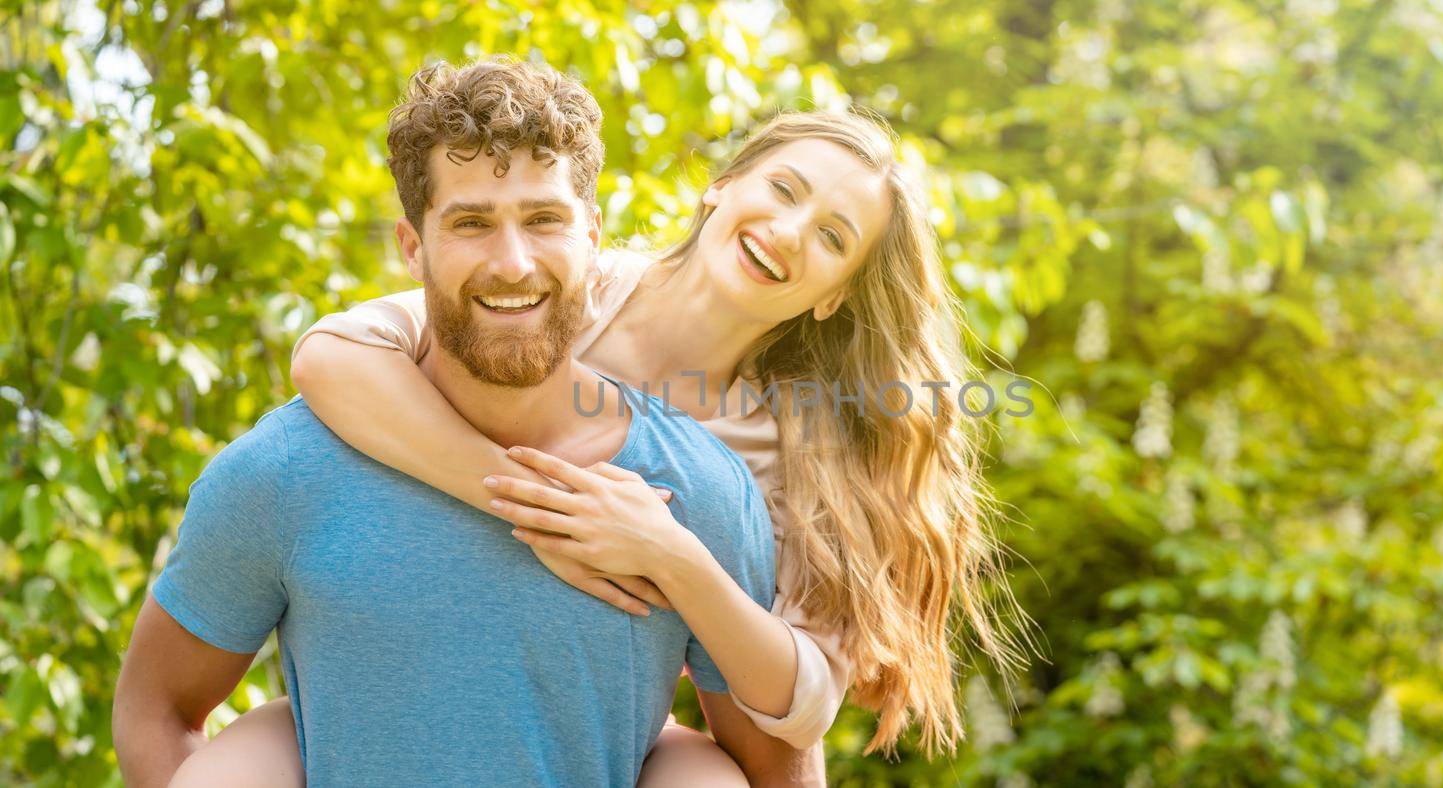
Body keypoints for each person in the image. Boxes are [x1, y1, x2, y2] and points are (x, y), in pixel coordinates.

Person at [190, 68, 1027, 786]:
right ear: (722, 184)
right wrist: (534, 506)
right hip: (411, 677)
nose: (788, 230)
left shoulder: (791, 445)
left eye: (833, 237)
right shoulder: (562, 284)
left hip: (600, 714)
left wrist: (672, 559)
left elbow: (804, 703)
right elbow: (332, 357)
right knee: (265, 742)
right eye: (783, 189)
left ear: (835, 292)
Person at [110, 58, 792, 788]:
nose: (512, 261)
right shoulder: (285, 470)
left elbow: (772, 765)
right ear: (413, 246)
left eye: (544, 220)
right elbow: (156, 709)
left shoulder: (698, 493)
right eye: (471, 223)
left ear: (593, 236)